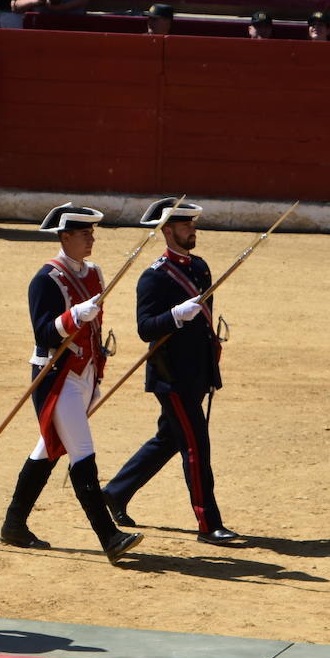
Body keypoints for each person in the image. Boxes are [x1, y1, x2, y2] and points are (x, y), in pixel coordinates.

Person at [0, 204, 145, 565]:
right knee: (82, 450)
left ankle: (14, 524)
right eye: (85, 234)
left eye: (92, 234)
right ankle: (109, 537)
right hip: (55, 374)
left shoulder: (94, 273)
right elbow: (43, 332)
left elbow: (95, 331)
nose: (91, 239)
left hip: (84, 373)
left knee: (47, 449)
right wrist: (73, 316)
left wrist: (97, 372)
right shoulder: (46, 279)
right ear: (65, 237)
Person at [103, 199, 242, 547]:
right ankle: (208, 523)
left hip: (197, 369)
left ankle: (116, 492)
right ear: (168, 230)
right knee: (195, 444)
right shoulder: (154, 277)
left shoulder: (200, 268)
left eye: (193, 225)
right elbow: (146, 328)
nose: (192, 230)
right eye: (185, 226)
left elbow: (206, 323)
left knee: (170, 438)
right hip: (172, 376)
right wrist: (176, 315)